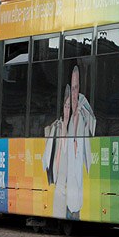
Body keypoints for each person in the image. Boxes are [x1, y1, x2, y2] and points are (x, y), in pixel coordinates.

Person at [65, 66, 95, 220]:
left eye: (76, 88)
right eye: (73, 88)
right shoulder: (67, 111)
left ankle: (76, 211)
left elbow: (93, 126)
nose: (74, 93)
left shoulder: (84, 108)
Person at [43, 86, 72, 217]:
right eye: (65, 107)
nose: (67, 110)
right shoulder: (57, 126)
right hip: (59, 180)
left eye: (69, 107)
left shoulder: (75, 129)